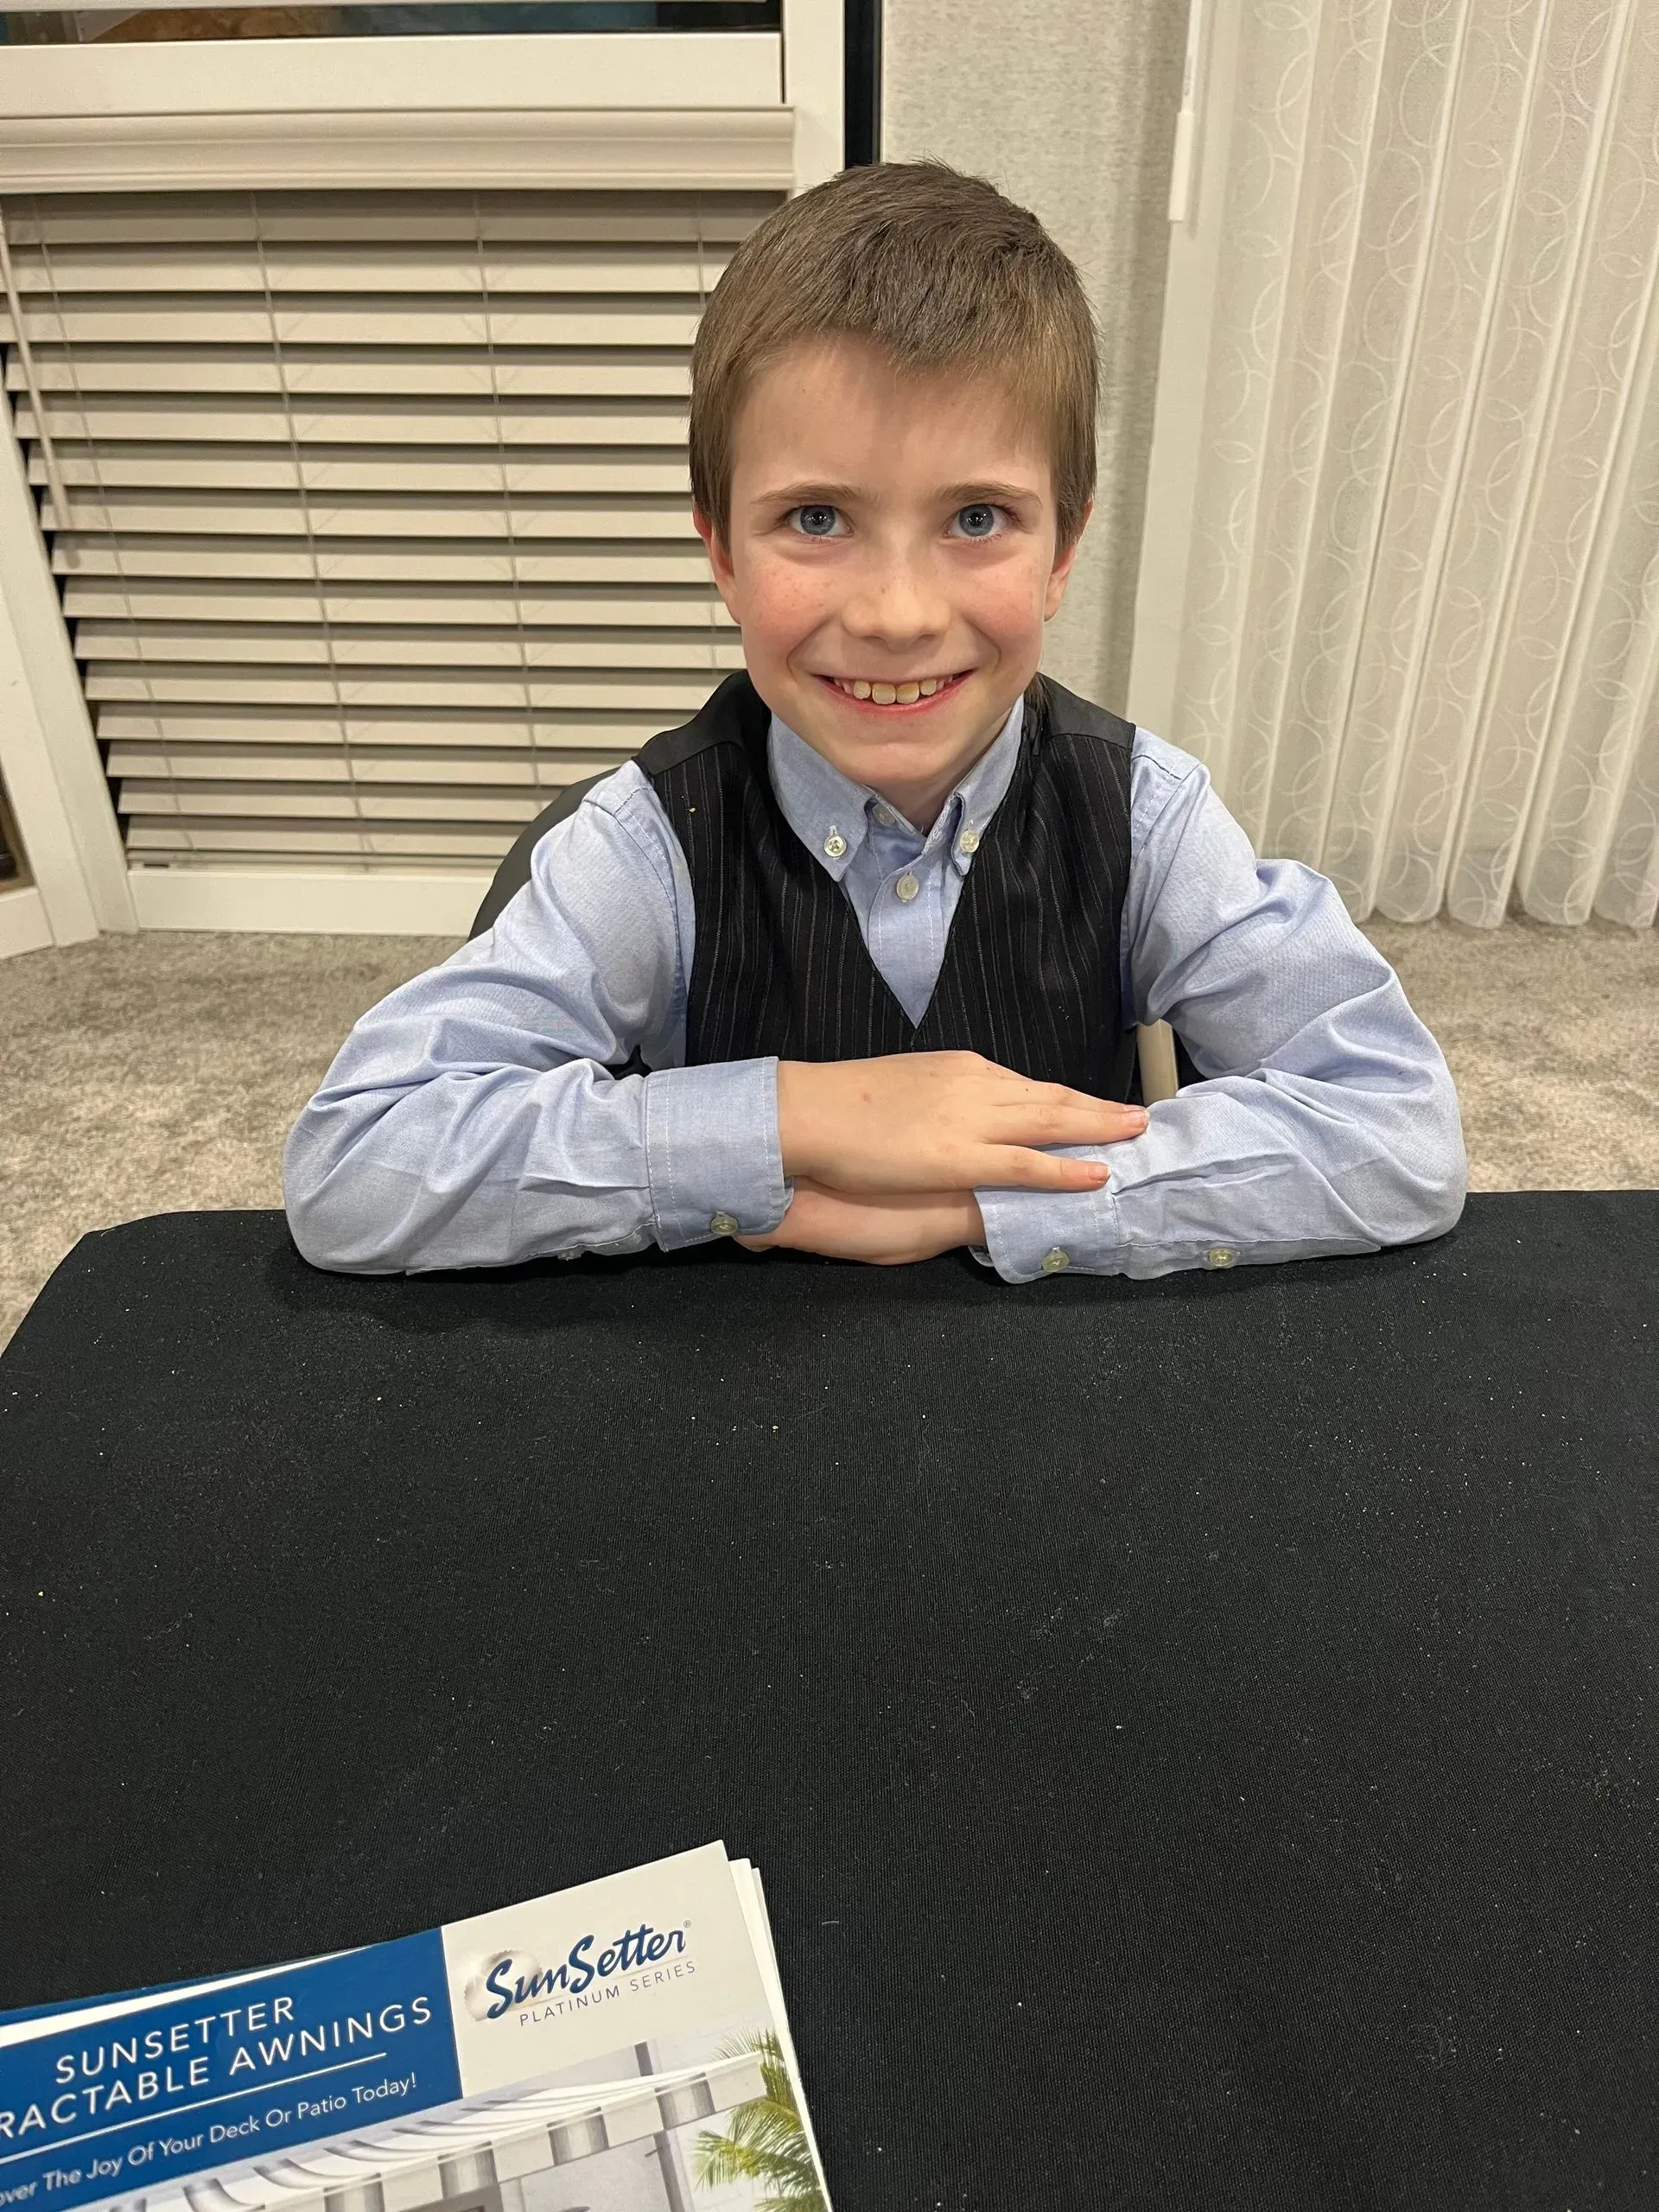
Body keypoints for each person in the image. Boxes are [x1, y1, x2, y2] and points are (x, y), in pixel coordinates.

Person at [283, 161, 1466, 1282]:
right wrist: (805, 1118)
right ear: (721, 552)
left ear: (1064, 550)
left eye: (977, 519)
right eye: (814, 519)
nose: (898, 616)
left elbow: (1398, 1129)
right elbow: (355, 1163)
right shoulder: (648, 846)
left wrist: (980, 1203)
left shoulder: (1144, 816)